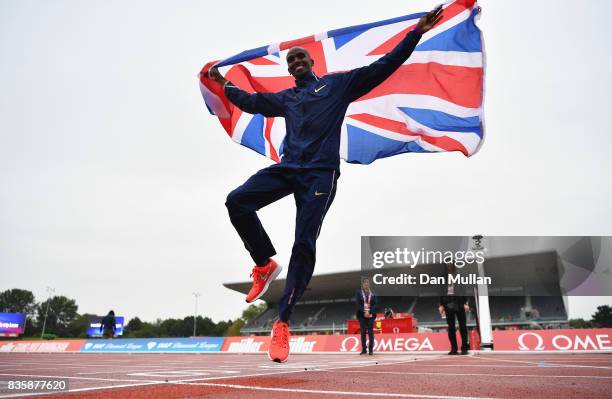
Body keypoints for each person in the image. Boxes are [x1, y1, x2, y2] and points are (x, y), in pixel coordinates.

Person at [209, 6, 444, 363]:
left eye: (301, 56)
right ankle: (263, 263)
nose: (297, 61)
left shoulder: (336, 85)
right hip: (289, 168)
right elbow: (250, 101)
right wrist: (220, 82)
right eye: (292, 60)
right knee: (237, 201)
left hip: (319, 176)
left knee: (303, 242)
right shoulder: (286, 98)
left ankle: (282, 322)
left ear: (311, 62)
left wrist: (416, 32)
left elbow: (383, 66)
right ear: (288, 69)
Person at [439, 264, 470, 355]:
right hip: (448, 303)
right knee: (451, 327)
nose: (449, 266)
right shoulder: (442, 277)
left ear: (453, 265)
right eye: (447, 264)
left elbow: (464, 289)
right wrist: (441, 304)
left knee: (463, 326)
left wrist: (466, 303)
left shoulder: (459, 276)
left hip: (459, 302)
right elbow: (440, 291)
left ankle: (464, 348)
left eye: (450, 264)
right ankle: (454, 349)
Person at [355, 278, 377, 355]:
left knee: (371, 332)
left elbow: (375, 304)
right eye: (365, 283)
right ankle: (364, 349)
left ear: (369, 284)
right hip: (362, 315)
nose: (366, 284)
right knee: (363, 332)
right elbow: (357, 303)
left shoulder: (373, 293)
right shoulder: (359, 293)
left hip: (370, 315)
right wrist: (364, 312)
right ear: (363, 284)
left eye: (367, 283)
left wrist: (369, 312)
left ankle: (371, 349)